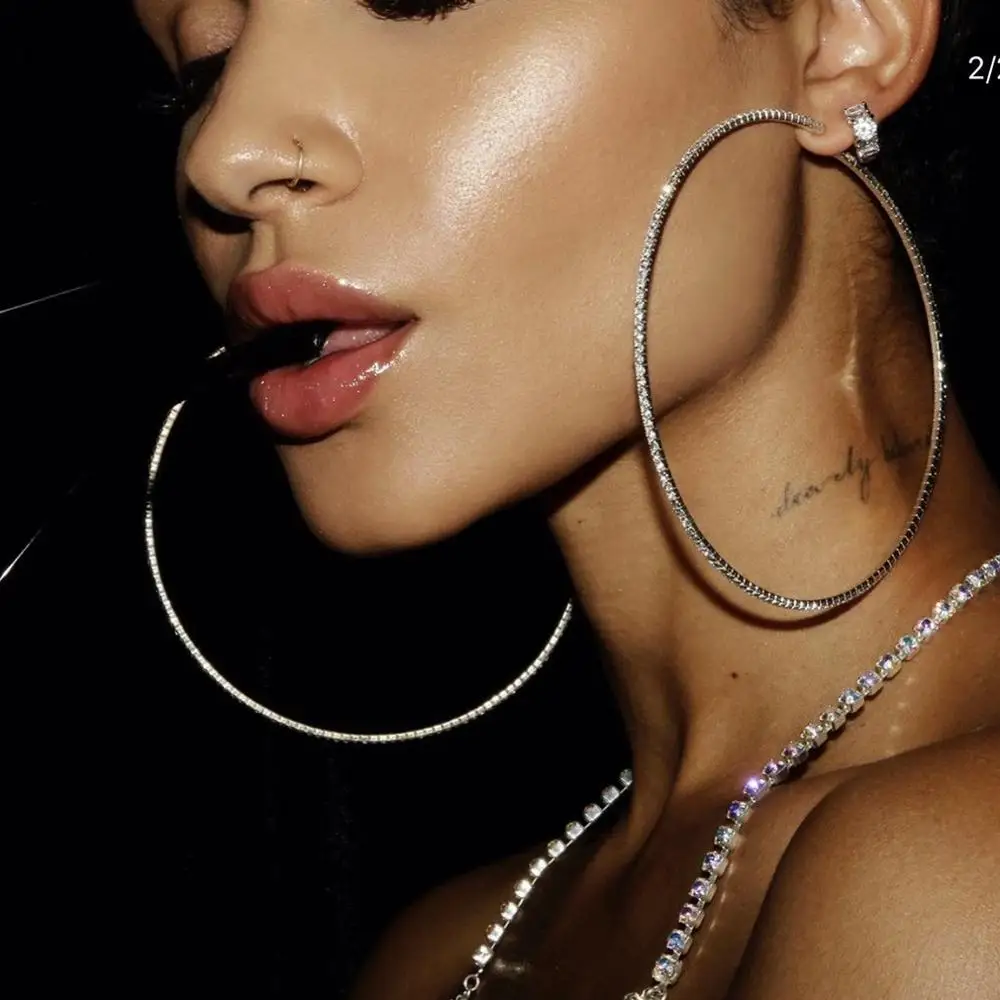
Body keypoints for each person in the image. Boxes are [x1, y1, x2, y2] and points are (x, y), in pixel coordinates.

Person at [133, 1, 999, 998]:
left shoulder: (956, 883)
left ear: (849, 28)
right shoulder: (447, 953)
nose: (224, 154)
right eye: (203, 73)